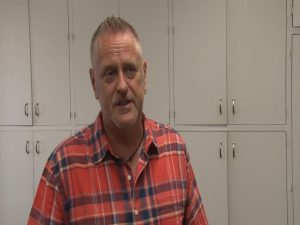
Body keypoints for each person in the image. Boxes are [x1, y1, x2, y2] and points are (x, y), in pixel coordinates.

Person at [27, 16, 208, 225]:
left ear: (145, 74)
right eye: (110, 73)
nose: (122, 86)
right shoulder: (63, 166)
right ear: (94, 83)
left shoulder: (175, 150)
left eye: (130, 69)